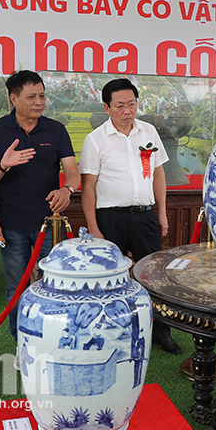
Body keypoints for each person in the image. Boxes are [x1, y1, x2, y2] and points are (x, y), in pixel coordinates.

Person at [79, 78, 181, 354]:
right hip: (110, 218)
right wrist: (93, 228)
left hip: (144, 216)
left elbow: (158, 174)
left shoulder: (148, 132)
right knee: (111, 278)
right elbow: (88, 187)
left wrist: (161, 213)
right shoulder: (95, 140)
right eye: (120, 105)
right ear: (107, 107)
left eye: (132, 104)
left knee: (153, 276)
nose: (127, 111)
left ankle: (160, 332)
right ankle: (112, 333)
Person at [0, 70, 80, 348]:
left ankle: (56, 341)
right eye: (31, 96)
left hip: (50, 224)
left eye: (42, 96)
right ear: (13, 98)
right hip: (10, 223)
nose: (39, 102)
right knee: (17, 287)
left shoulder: (56, 130)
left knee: (56, 285)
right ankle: (22, 342)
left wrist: (66, 190)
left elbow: (73, 172)